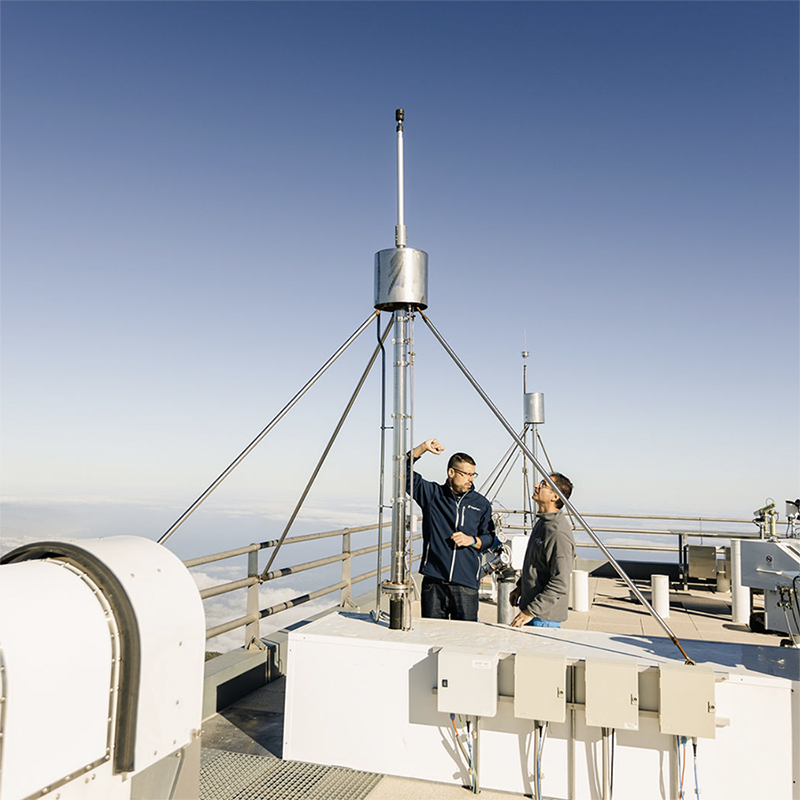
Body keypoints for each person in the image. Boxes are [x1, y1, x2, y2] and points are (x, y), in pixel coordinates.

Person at [406, 438, 495, 621]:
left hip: (466, 585)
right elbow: (401, 473)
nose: (470, 479)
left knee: (463, 643)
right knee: (431, 638)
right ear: (451, 472)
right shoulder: (432, 494)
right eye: (466, 474)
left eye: (473, 474)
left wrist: (471, 540)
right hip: (434, 583)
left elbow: (491, 538)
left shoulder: (481, 504)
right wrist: (422, 449)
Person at [510, 473, 575, 628]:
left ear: (555, 496)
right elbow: (534, 562)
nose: (536, 486)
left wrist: (530, 612)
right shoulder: (543, 522)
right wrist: (520, 587)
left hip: (544, 618)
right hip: (532, 611)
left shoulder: (558, 533)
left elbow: (559, 582)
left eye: (543, 484)